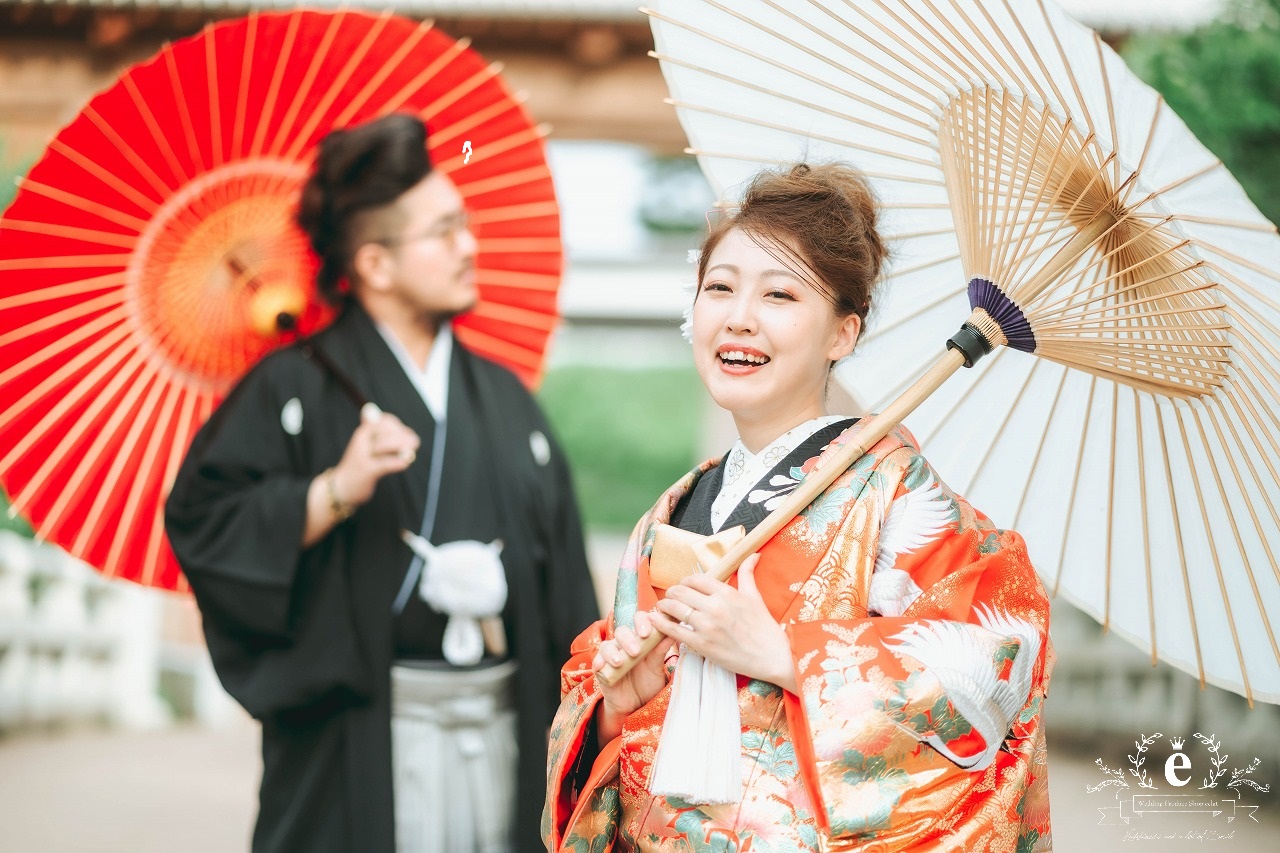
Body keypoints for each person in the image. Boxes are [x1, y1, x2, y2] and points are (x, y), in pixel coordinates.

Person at [543, 164, 1053, 851]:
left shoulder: (896, 493)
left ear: (842, 334)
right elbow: (622, 759)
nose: (739, 317)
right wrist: (620, 706)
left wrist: (786, 654)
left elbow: (992, 664)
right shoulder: (672, 510)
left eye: (780, 294)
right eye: (719, 287)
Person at [165, 113, 598, 853]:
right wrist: (333, 488)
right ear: (374, 264)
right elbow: (206, 520)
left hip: (504, 725)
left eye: (464, 225)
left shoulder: (503, 397)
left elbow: (563, 582)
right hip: (361, 734)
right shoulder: (290, 386)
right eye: (443, 233)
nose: (469, 247)